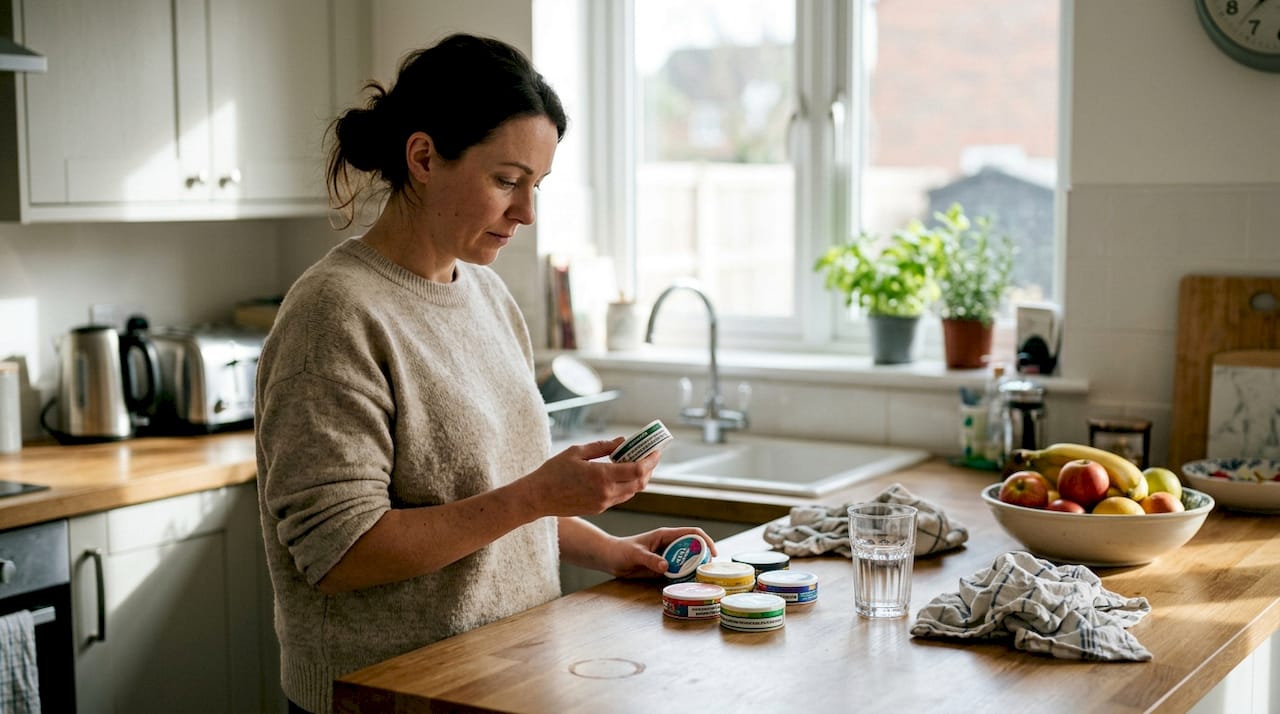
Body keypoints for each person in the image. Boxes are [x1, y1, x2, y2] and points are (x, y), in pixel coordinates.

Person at [254, 33, 716, 714]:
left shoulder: (486, 295)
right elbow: (342, 554)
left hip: (506, 678)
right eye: (506, 181)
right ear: (423, 158)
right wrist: (539, 494)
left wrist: (613, 552)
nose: (527, 213)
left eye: (537, 186)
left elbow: (484, 503)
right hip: (388, 696)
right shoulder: (334, 314)